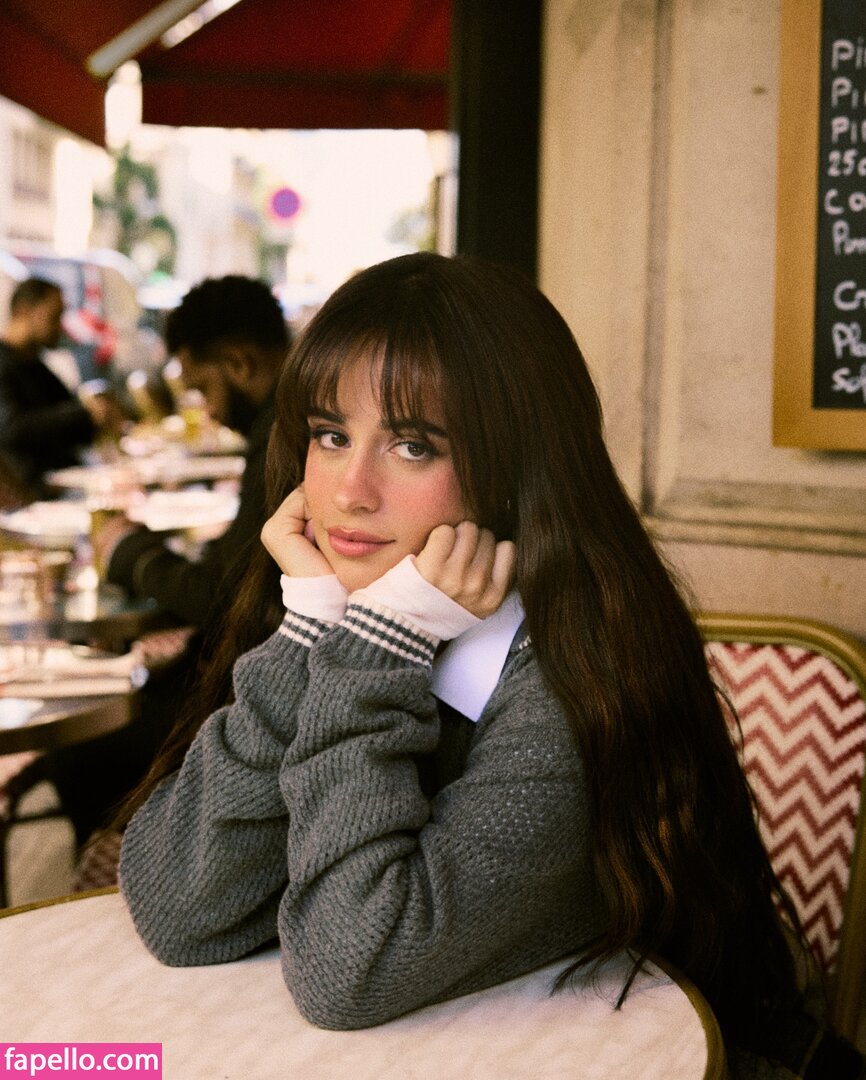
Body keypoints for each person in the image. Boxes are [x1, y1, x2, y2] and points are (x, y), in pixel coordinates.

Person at [117, 254, 862, 1078]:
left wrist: (376, 650)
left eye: (413, 446)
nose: (350, 491)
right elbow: (179, 910)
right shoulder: (337, 604)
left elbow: (346, 971)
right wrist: (309, 631)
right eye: (331, 436)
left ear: (512, 470)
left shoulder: (568, 677)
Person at [49, 275, 291, 850]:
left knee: (78, 754)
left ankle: (135, 866)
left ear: (239, 362)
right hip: (259, 675)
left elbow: (223, 597)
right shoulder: (290, 418)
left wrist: (126, 552)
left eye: (202, 386)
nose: (206, 408)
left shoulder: (282, 432)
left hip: (257, 700)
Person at [0, 277, 121, 493]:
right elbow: (12, 429)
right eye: (54, 316)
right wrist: (85, 414)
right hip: (33, 493)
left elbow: (70, 416)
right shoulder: (5, 363)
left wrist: (98, 414)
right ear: (24, 311)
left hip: (63, 483)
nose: (61, 326)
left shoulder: (34, 363)